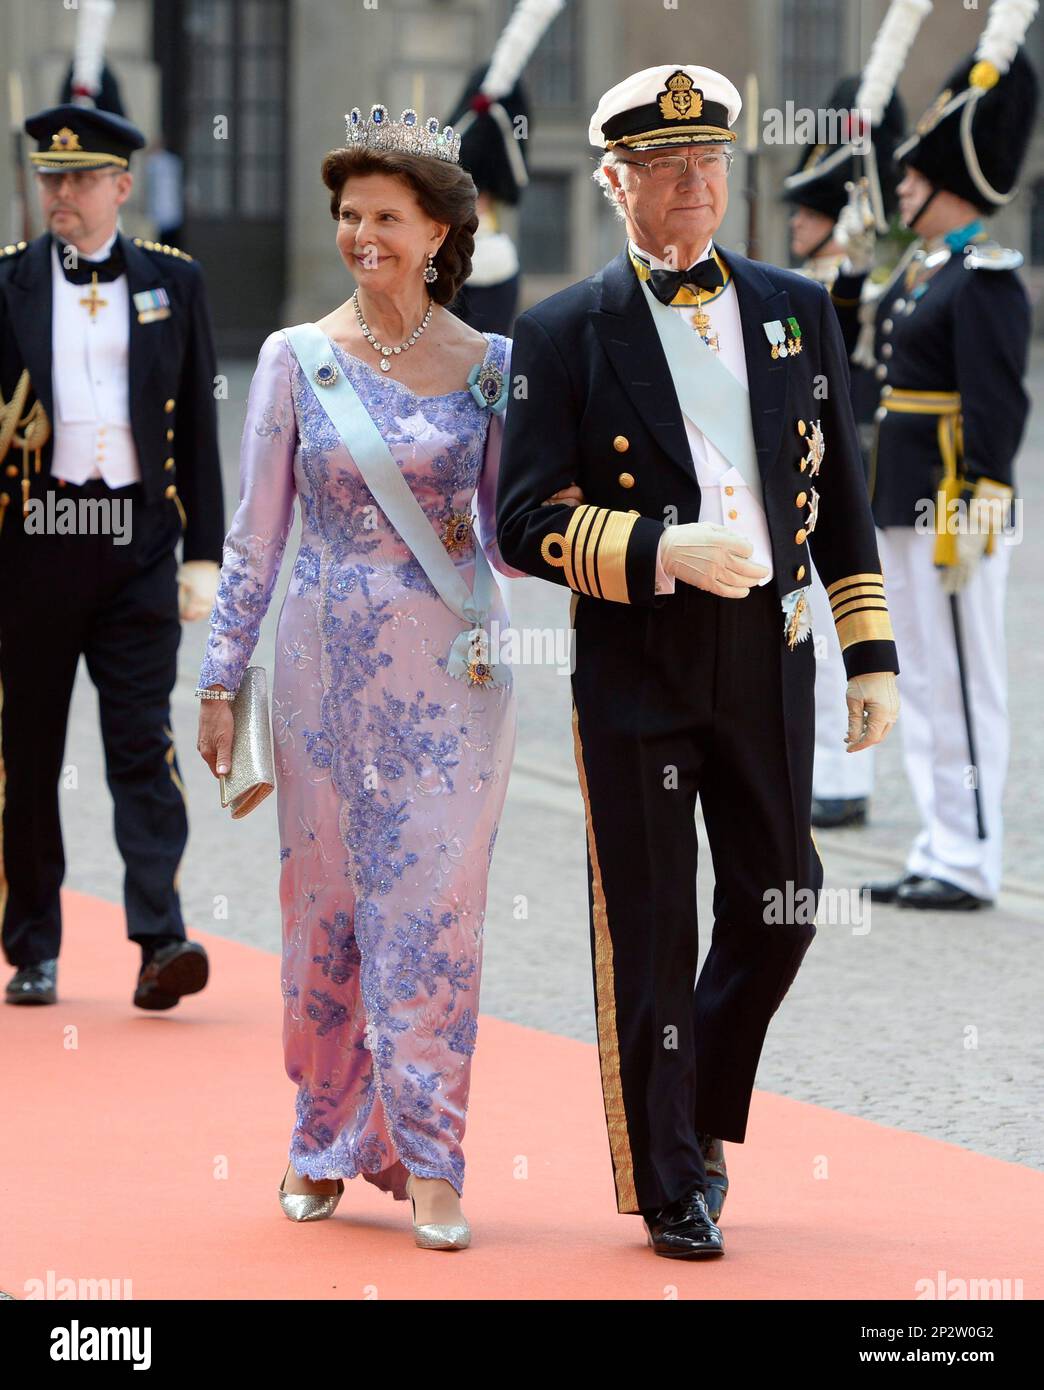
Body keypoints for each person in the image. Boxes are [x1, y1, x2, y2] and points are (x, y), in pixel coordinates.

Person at [496, 65, 900, 1259]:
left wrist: (866, 652)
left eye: (710, 162)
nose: (693, 186)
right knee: (655, 927)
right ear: (614, 180)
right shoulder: (563, 330)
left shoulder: (794, 306)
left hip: (767, 656)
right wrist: (664, 548)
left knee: (784, 899)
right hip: (637, 662)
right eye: (666, 168)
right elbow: (524, 521)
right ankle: (671, 1172)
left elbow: (843, 500)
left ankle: (699, 1103)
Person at [195, 103, 538, 1250]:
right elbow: (255, 537)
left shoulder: (495, 368)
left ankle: (432, 1156)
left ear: (443, 228)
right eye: (349, 215)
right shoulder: (296, 361)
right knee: (328, 908)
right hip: (321, 672)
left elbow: (509, 533)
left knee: (437, 914)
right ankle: (323, 1133)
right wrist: (217, 678)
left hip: (452, 681)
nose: (363, 235)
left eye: (387, 215)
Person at [0, 104, 223, 1010]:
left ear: (122, 187)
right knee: (27, 747)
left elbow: (202, 426)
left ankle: (160, 941)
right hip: (35, 543)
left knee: (143, 744)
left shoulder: (174, 280)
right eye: (52, 177)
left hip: (136, 544)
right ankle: (33, 947)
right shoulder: (7, 283)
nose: (63, 192)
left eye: (82, 178)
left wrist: (203, 553)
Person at [830, 29, 1038, 910]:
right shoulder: (924, 272)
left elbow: (999, 401)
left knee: (962, 676)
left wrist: (983, 495)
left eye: (914, 178)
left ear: (950, 187)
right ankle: (938, 840)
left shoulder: (984, 277)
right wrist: (846, 264)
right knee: (920, 670)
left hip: (953, 504)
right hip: (904, 502)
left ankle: (970, 856)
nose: (902, 187)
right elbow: (853, 343)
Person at [782, 74, 907, 830]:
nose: (795, 224)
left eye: (807, 213)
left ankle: (844, 776)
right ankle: (826, 772)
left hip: (848, 469)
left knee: (849, 631)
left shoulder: (851, 282)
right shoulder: (803, 282)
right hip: (805, 475)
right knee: (810, 634)